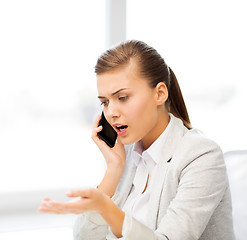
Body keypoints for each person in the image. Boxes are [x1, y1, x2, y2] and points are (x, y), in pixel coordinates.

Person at [38, 40, 235, 240]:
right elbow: (84, 238)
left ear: (159, 94)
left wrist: (106, 208)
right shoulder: (128, 153)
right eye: (105, 102)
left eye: (122, 98)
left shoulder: (201, 156)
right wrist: (113, 169)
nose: (111, 113)